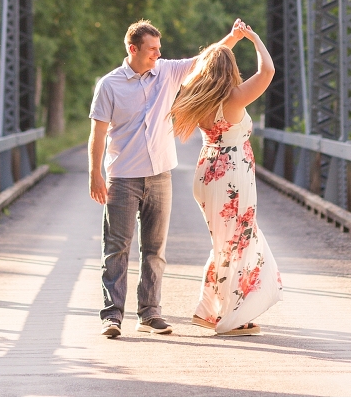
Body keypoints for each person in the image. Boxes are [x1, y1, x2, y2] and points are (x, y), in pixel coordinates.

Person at [88, 19, 246, 339]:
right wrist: (95, 173)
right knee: (117, 248)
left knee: (155, 249)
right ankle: (112, 316)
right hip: (123, 177)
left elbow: (207, 59)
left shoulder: (168, 72)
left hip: (160, 175)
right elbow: (98, 133)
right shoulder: (109, 85)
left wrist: (233, 37)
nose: (158, 55)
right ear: (132, 49)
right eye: (152, 50)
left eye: (159, 49)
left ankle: (149, 313)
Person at [170, 20, 281, 336]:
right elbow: (268, 71)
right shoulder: (234, 98)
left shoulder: (196, 94)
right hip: (232, 178)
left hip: (207, 173)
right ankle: (232, 315)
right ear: (230, 68)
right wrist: (254, 39)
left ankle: (208, 311)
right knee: (237, 242)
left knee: (225, 243)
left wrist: (230, 39)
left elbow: (201, 67)